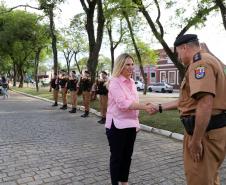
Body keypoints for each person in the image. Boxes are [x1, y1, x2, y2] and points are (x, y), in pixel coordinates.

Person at [149, 34, 226, 185]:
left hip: (204, 135)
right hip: (209, 132)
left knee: (199, 180)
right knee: (209, 178)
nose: (178, 57)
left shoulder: (200, 63)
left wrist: (196, 140)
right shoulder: (206, 61)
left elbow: (205, 102)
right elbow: (188, 101)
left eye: (177, 53)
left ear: (184, 48)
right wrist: (159, 107)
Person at [105, 53, 155, 185]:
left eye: (132, 64)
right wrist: (145, 107)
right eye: (127, 64)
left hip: (130, 125)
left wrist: (136, 123)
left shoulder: (132, 82)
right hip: (117, 125)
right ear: (120, 66)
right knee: (117, 157)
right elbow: (123, 104)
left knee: (127, 157)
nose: (131, 67)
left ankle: (124, 182)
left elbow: (134, 102)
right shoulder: (114, 81)